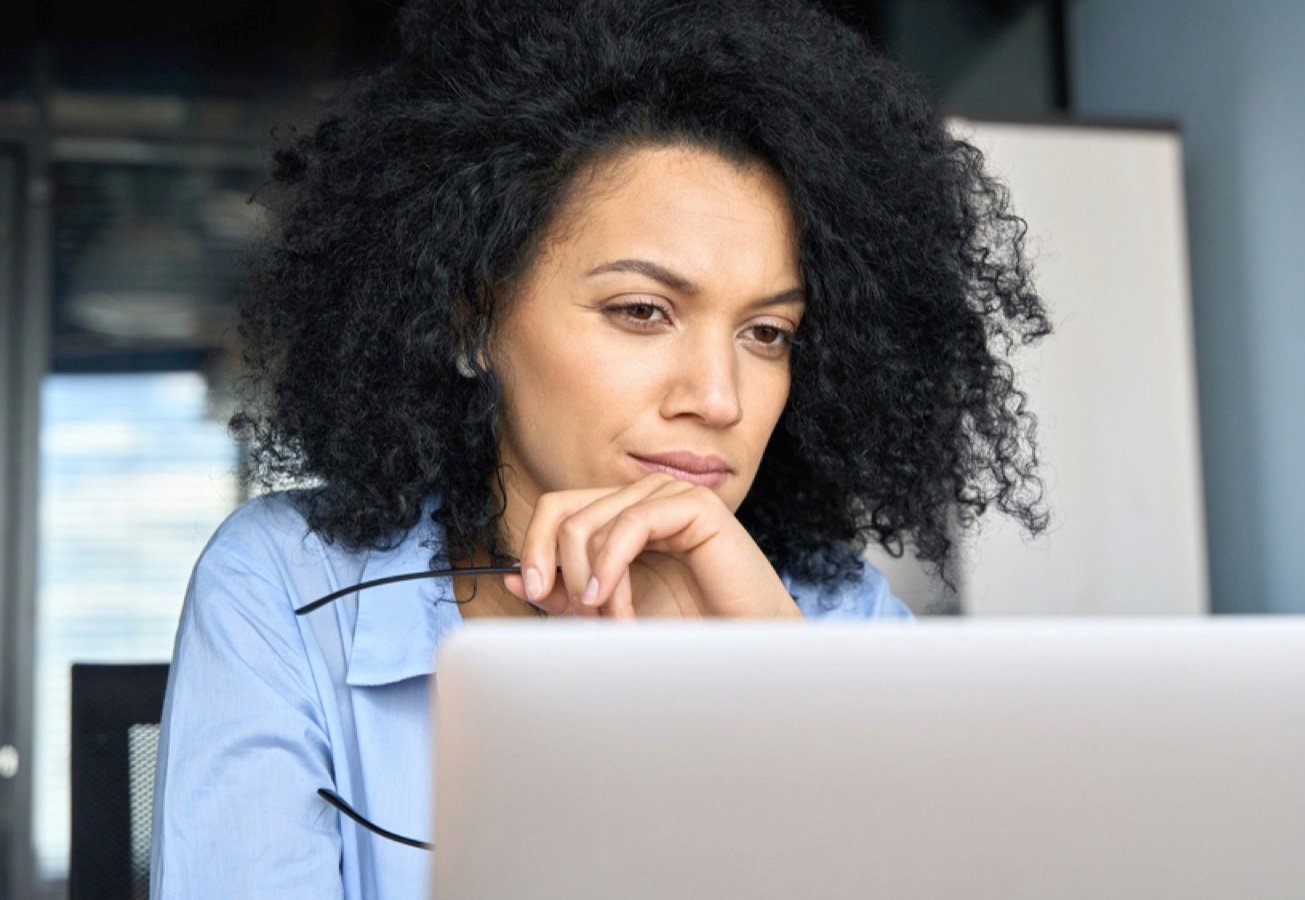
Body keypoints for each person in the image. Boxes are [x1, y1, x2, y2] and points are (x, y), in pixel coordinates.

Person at [149, 0, 1050, 896]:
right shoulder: (292, 589)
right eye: (642, 312)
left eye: (768, 333)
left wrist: (781, 696)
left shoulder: (833, 619)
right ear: (472, 319)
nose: (718, 398)